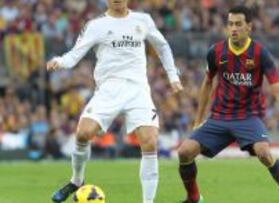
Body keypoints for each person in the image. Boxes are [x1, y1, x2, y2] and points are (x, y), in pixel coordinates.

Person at [47, 0, 183, 202]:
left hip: (138, 89)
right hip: (108, 89)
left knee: (150, 141)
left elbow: (162, 46)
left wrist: (173, 76)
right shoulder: (96, 25)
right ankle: (77, 181)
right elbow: (75, 54)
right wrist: (60, 61)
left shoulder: (143, 20)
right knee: (83, 134)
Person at [177, 6, 279, 203]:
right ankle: (194, 198)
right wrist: (198, 120)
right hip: (219, 117)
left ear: (249, 27)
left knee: (264, 153)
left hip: (248, 116)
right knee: (184, 152)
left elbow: (278, 90)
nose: (233, 28)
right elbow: (207, 83)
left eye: (238, 24)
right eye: (230, 24)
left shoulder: (260, 53)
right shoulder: (216, 52)